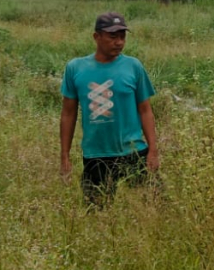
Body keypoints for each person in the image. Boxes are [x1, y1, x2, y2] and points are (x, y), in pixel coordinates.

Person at [60, 12, 159, 207]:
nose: (119, 42)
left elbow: (145, 110)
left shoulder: (133, 66)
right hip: (96, 154)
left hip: (133, 151)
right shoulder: (75, 68)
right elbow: (68, 114)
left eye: (122, 37)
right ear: (96, 37)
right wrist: (64, 155)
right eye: (113, 37)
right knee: (96, 212)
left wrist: (153, 151)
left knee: (151, 207)